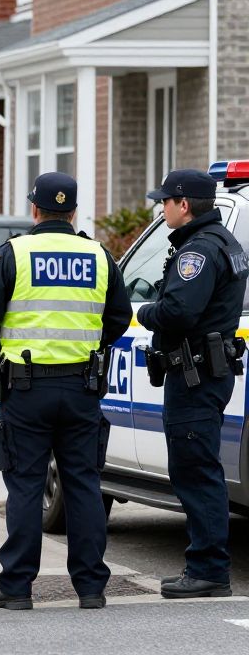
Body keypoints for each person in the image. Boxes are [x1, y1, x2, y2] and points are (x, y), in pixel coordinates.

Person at [0, 172, 131, 610]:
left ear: (34, 210)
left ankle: (17, 587)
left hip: (27, 389)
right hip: (82, 388)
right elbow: (118, 318)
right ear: (73, 212)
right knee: (84, 485)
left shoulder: (14, 253)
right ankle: (91, 588)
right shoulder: (98, 255)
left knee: (25, 486)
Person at [137, 169, 247, 599]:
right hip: (204, 373)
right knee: (200, 469)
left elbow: (178, 312)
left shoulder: (198, 251)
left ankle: (208, 571)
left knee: (196, 472)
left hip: (195, 376)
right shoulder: (222, 241)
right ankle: (205, 566)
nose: (161, 207)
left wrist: (146, 312)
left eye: (165, 201)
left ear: (183, 205)